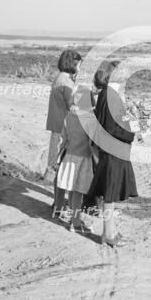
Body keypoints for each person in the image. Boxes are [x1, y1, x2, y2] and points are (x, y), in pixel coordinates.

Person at [88, 60, 138, 247]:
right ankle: (108, 234)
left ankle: (110, 232)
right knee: (109, 195)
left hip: (111, 151)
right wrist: (131, 133)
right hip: (113, 151)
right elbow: (111, 127)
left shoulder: (108, 94)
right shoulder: (111, 96)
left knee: (110, 194)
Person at [53, 86, 98, 232]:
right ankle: (76, 223)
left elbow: (63, 139)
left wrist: (58, 157)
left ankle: (74, 218)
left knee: (72, 191)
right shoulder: (90, 120)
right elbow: (92, 143)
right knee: (78, 192)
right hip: (83, 159)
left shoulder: (68, 116)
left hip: (69, 156)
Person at [45, 49, 82, 211]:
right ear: (72, 64)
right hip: (64, 129)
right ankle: (59, 205)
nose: (80, 68)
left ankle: (57, 203)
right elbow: (73, 107)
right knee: (62, 167)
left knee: (58, 165)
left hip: (57, 127)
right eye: (79, 64)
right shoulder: (67, 83)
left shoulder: (60, 78)